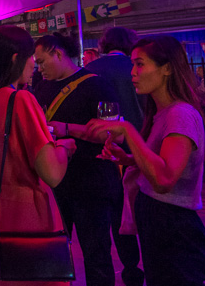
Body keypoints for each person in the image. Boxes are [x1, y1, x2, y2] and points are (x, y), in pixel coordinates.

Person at [80, 35, 205, 286]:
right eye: (133, 64)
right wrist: (130, 159)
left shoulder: (180, 114)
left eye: (140, 64)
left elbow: (164, 179)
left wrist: (127, 130)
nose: (133, 72)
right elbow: (164, 160)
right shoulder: (162, 112)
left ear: (167, 68)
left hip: (174, 222)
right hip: (157, 217)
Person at [0, 25, 76, 286]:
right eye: (31, 58)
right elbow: (52, 173)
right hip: (27, 212)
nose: (34, 65)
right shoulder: (20, 100)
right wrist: (64, 148)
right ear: (16, 59)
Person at [34, 32, 137, 286]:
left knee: (96, 254)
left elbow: (115, 134)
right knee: (55, 251)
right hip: (56, 184)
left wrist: (68, 129)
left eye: (42, 61)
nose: (39, 68)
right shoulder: (41, 88)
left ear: (58, 53)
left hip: (92, 185)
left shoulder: (96, 85)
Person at [80, 27, 145, 286]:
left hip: (101, 149)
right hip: (138, 148)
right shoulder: (137, 67)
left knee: (103, 215)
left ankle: (104, 273)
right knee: (131, 211)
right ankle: (133, 268)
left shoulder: (91, 69)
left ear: (104, 44)